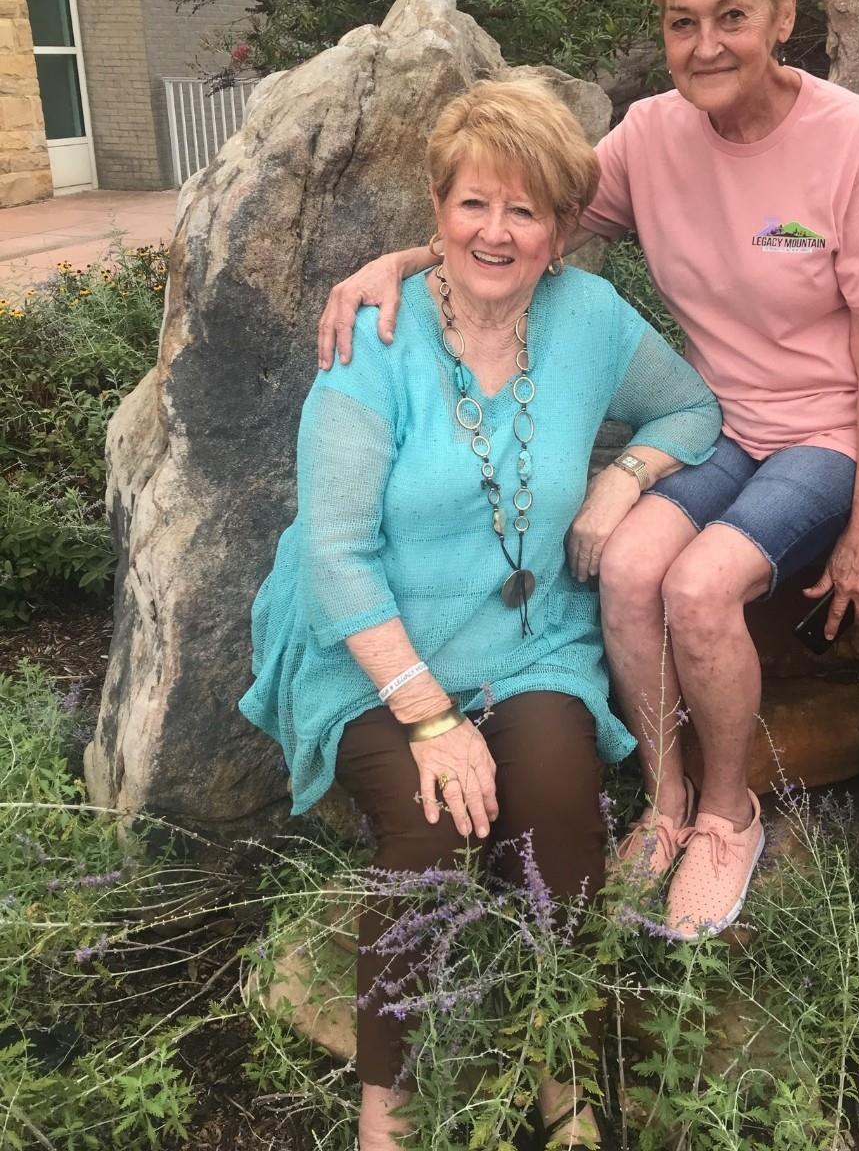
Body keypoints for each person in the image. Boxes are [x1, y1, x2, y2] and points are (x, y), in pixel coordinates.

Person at [316, 0, 859, 944]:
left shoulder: (852, 140)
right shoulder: (651, 137)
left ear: (783, 16)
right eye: (682, 22)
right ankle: (667, 798)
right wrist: (406, 260)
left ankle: (729, 814)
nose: (705, 44)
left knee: (698, 588)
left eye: (731, 16)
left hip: (828, 428)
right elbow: (523, 212)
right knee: (629, 566)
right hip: (720, 420)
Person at [239, 77, 720, 1149]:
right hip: (370, 649)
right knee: (433, 822)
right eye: (474, 204)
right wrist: (427, 716)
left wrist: (622, 478)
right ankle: (391, 1114)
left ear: (560, 229)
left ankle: (563, 1074)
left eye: (525, 210)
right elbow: (334, 555)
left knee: (556, 801)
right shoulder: (375, 339)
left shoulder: (589, 318)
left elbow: (695, 406)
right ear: (437, 210)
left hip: (529, 645)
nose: (496, 232)